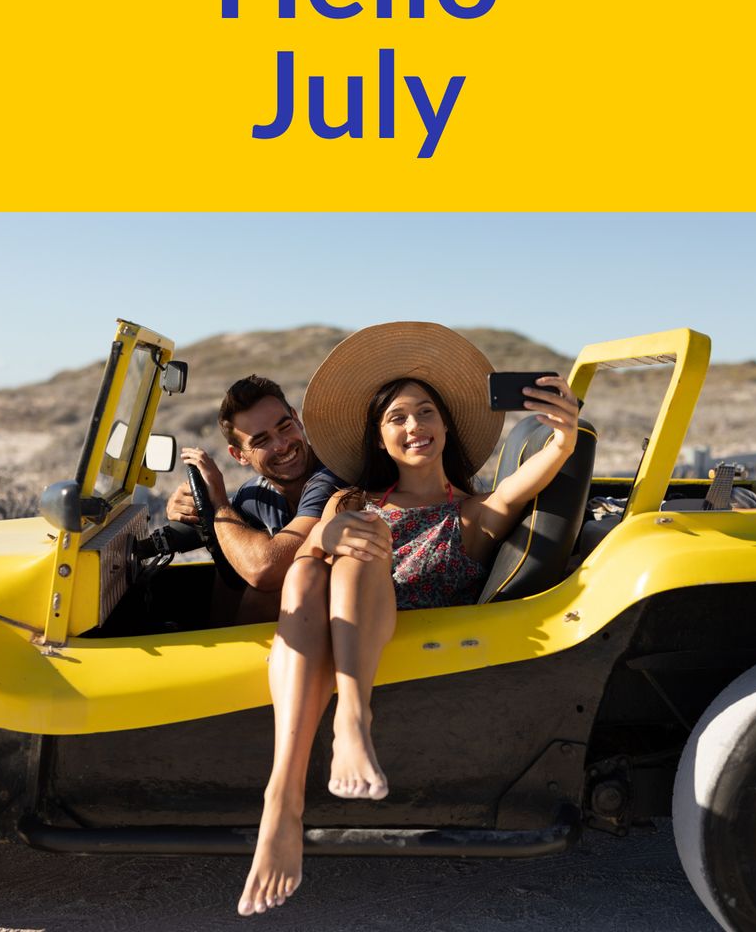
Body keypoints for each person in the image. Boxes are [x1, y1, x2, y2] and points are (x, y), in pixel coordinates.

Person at [237, 322, 580, 916]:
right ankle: (286, 796)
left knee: (356, 549)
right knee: (314, 565)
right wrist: (325, 530)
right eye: (396, 418)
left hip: (407, 651)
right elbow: (305, 562)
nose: (414, 426)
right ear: (380, 437)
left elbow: (538, 471)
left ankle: (340, 733)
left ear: (446, 425)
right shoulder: (353, 502)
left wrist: (565, 435)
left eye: (425, 413)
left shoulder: (474, 517)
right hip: (327, 628)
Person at [165, 374, 388, 624]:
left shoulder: (332, 477)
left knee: (264, 593)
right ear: (239, 455)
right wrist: (186, 506)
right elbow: (229, 537)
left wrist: (219, 503)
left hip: (366, 613)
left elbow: (265, 570)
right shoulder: (257, 494)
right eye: (262, 440)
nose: (281, 445)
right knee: (232, 558)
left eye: (285, 427)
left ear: (297, 420)